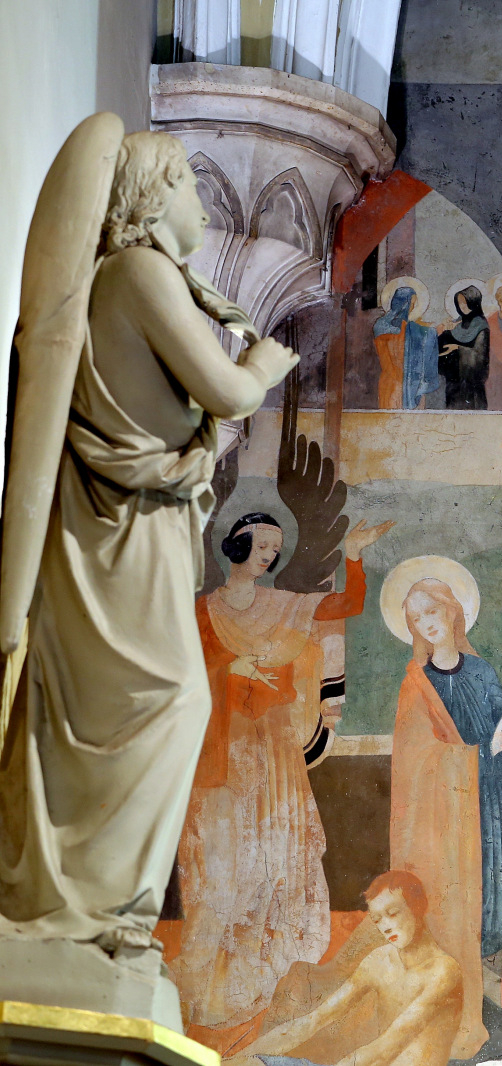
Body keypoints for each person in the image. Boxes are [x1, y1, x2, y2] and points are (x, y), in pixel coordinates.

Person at [0, 124, 298, 968]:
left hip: (136, 525)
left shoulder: (138, 278)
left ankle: (98, 910)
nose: (202, 203)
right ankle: (76, 906)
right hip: (117, 534)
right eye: (191, 187)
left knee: (143, 706)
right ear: (154, 195)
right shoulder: (138, 272)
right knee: (166, 701)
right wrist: (263, 364)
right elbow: (227, 391)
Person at [174, 513, 391, 1032]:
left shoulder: (284, 606)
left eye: (275, 548)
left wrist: (354, 554)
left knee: (275, 860)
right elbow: (182, 674)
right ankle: (212, 987)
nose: (269, 555)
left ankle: (268, 977)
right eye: (262, 545)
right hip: (222, 752)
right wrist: (230, 669)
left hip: (272, 748)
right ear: (237, 546)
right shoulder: (204, 611)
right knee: (220, 871)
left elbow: (346, 605)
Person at [387, 559, 502, 1057]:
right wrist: (478, 754)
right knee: (454, 899)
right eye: (417, 617)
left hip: (490, 804)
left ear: (452, 611)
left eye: (433, 611)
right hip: (446, 816)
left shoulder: (482, 671)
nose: (428, 623)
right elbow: (415, 759)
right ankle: (453, 991)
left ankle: (481, 976)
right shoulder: (417, 684)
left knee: (496, 900)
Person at [228, 871, 462, 1066]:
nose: (386, 926)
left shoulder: (444, 971)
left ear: (418, 907)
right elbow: (314, 1020)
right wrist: (235, 1060)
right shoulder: (380, 960)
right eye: (377, 919)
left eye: (392, 913)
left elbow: (386, 1048)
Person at [373, 285, 441, 409]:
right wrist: (435, 330)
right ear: (404, 304)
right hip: (407, 386)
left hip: (388, 383)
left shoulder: (379, 325)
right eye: (412, 303)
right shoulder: (406, 328)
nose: (413, 307)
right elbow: (421, 336)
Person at [436, 286, 491, 409]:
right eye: (460, 303)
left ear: (473, 302)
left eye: (465, 302)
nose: (462, 306)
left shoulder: (481, 326)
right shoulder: (456, 323)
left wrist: (458, 348)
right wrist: (444, 332)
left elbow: (480, 358)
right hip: (453, 383)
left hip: (471, 386)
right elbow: (441, 348)